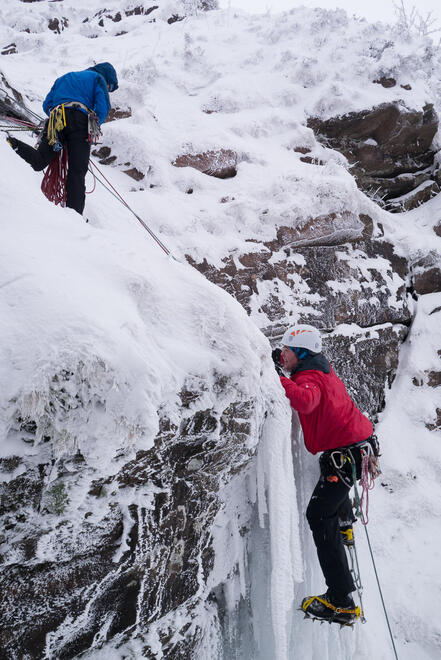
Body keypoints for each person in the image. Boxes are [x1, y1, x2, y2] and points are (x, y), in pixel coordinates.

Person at [273, 323, 379, 625]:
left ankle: (341, 600)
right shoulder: (323, 369)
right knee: (329, 504)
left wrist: (279, 379)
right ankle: (344, 523)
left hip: (344, 456)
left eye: (288, 351)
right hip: (355, 450)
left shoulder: (309, 377)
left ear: (302, 353)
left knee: (318, 516)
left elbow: (306, 401)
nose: (283, 354)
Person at [6, 62, 118, 215]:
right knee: (76, 173)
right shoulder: (98, 78)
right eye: (110, 87)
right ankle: (75, 217)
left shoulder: (64, 78)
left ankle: (10, 142)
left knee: (40, 161)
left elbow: (47, 105)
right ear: (107, 76)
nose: (109, 89)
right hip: (81, 120)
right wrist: (94, 123)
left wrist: (60, 124)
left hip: (57, 118)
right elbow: (103, 107)